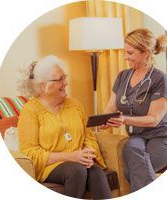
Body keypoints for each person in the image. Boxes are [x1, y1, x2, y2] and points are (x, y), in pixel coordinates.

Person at [100, 28, 167, 192]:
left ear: (145, 53)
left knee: (134, 171)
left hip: (163, 135)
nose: (125, 57)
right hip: (137, 136)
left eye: (130, 53)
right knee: (132, 153)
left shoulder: (160, 79)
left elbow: (154, 119)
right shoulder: (123, 76)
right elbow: (110, 108)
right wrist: (105, 121)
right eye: (125, 52)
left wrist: (124, 119)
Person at [18, 55, 112, 199]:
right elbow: (29, 152)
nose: (66, 83)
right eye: (60, 79)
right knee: (76, 170)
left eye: (65, 77)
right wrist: (72, 156)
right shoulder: (30, 111)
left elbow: (89, 136)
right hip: (50, 166)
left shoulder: (75, 105)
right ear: (43, 86)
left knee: (96, 172)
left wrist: (88, 151)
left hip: (78, 161)